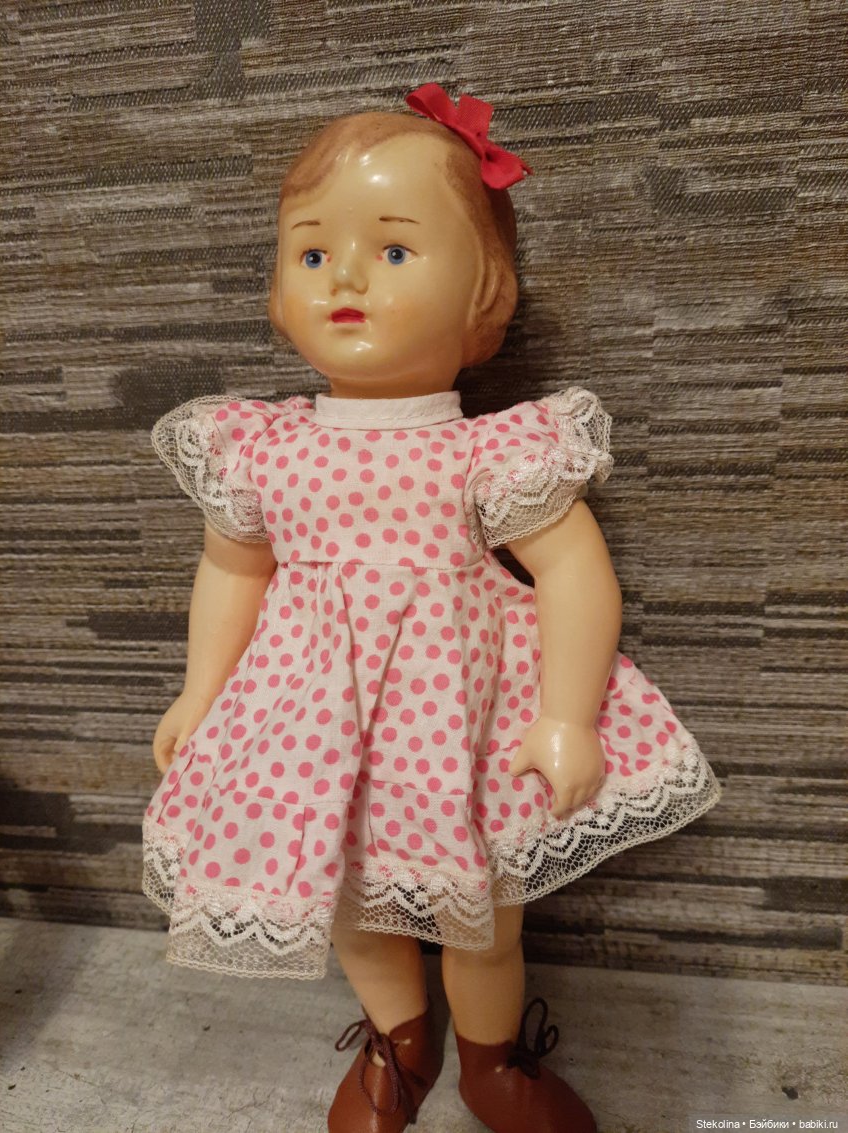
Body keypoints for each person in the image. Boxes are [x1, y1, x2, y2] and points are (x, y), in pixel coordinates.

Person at [141, 83, 723, 1133]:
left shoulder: (487, 450)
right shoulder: (262, 446)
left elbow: (572, 573)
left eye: (395, 249)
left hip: (453, 727)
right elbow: (232, 569)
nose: (345, 276)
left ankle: (491, 1060)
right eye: (312, 252)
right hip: (306, 732)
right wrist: (199, 690)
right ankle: (399, 1040)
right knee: (350, 905)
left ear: (482, 294)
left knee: (484, 920)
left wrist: (567, 714)